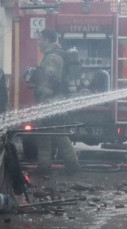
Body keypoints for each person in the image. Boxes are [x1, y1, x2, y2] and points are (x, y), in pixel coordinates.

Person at [27, 29, 79, 172]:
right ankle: (51, 166)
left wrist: (42, 99)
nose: (38, 42)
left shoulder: (52, 57)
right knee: (51, 134)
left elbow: (51, 81)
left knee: (56, 135)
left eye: (40, 39)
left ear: (48, 40)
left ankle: (68, 166)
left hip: (52, 102)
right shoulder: (54, 55)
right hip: (55, 102)